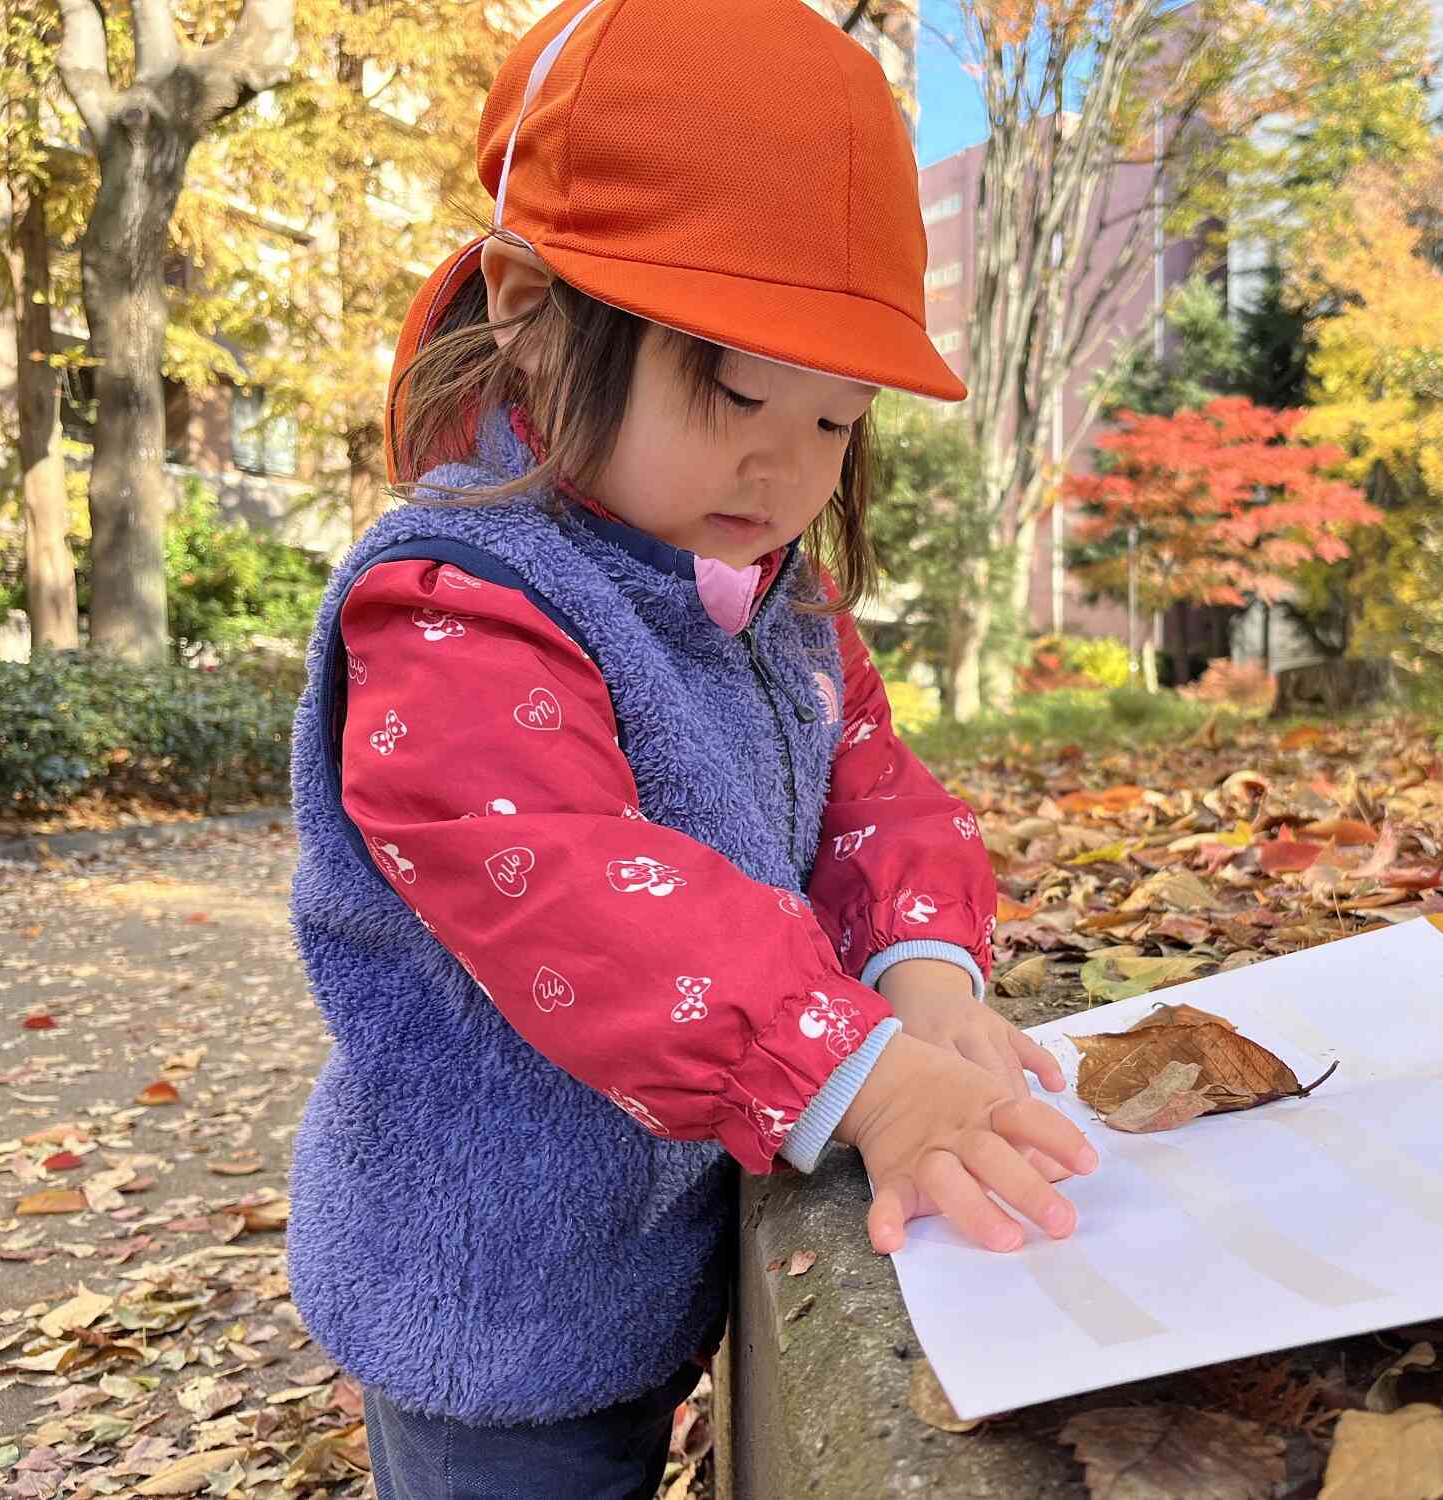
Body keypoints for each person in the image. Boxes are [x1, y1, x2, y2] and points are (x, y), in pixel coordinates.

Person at [282, 1, 1099, 1495]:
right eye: (732, 393)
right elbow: (570, 887)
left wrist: (924, 981)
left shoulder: (765, 588)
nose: (783, 468)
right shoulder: (458, 603)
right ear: (528, 303)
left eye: (838, 421)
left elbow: (874, 790)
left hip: (658, 1231)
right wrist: (863, 1075)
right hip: (494, 1290)